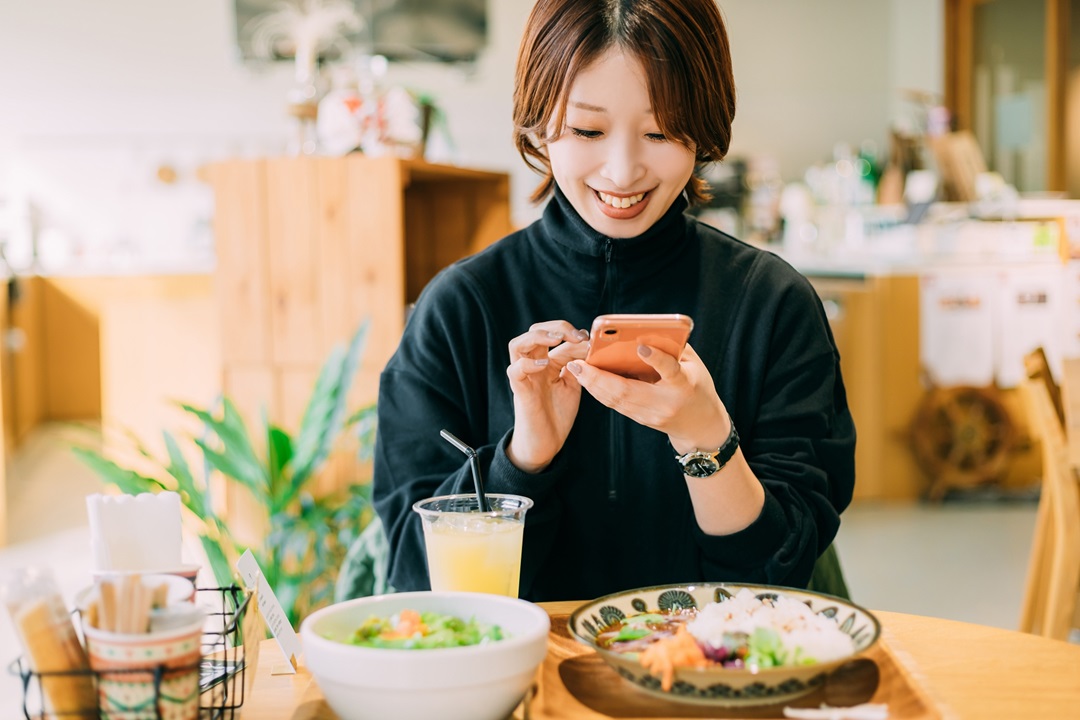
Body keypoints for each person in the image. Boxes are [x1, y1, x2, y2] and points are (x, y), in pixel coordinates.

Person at [371, 0, 855, 602]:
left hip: (721, 681)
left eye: (659, 131)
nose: (623, 171)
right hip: (522, 688)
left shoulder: (773, 305)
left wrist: (707, 437)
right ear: (535, 125)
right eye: (588, 130)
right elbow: (417, 576)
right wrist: (523, 460)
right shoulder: (461, 309)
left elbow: (782, 573)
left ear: (704, 127)